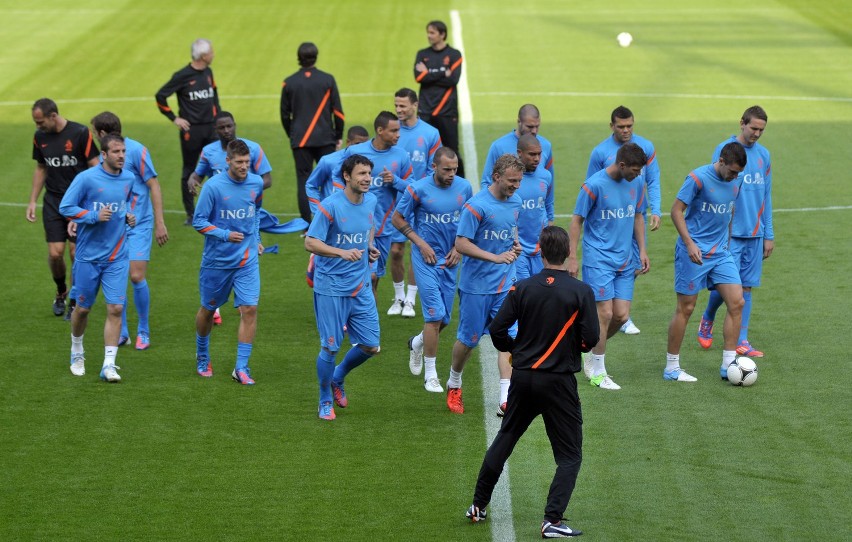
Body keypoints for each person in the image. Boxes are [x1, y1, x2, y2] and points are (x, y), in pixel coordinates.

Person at [466, 226, 599, 538]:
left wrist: (517, 351)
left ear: (539, 252)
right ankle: (552, 519)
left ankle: (478, 505)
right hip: (558, 383)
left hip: (523, 378)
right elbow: (590, 339)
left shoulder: (522, 287)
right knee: (569, 456)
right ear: (568, 253)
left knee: (506, 437)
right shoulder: (581, 291)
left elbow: (498, 330)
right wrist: (571, 349)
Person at [305, 154, 381, 420]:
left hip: (359, 285)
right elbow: (311, 243)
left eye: (369, 174)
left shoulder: (371, 200)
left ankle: (337, 376)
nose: (367, 179)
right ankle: (325, 397)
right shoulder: (330, 206)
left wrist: (369, 248)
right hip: (331, 287)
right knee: (330, 347)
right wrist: (340, 252)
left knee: (371, 345)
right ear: (347, 176)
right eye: (361, 174)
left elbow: (368, 227)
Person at [568, 143, 649, 391]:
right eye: (634, 170)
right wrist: (572, 256)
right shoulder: (593, 186)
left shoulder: (637, 182)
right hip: (598, 257)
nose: (638, 174)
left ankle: (589, 350)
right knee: (604, 313)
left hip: (625, 259)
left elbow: (637, 215)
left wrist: (642, 250)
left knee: (621, 315)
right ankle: (598, 371)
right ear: (622, 165)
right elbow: (576, 221)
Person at [447, 154, 523, 414]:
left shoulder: (516, 202)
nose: (515, 186)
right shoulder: (475, 206)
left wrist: (515, 246)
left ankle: (505, 398)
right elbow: (461, 243)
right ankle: (454, 382)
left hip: (504, 284)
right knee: (468, 341)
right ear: (496, 177)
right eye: (511, 181)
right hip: (476, 287)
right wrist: (495, 257)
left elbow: (509, 230)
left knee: (509, 339)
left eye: (518, 182)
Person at [666, 142, 747, 382]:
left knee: (737, 302)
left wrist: (728, 243)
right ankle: (671, 367)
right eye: (732, 171)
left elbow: (729, 211)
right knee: (686, 308)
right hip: (694, 252)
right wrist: (689, 243)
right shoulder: (697, 178)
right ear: (721, 161)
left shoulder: (736, 181)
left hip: (721, 253)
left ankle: (728, 364)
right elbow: (676, 211)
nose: (734, 176)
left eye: (738, 173)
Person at [393, 148, 472, 393]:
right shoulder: (417, 189)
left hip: (450, 260)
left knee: (444, 319)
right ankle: (431, 375)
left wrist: (459, 248)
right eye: (446, 169)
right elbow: (397, 218)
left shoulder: (464, 188)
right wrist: (419, 242)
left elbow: (470, 220)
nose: (451, 174)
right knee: (435, 316)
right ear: (434, 167)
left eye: (455, 169)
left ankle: (417, 343)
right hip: (425, 259)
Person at [698, 106, 773, 358]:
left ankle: (742, 339)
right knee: (730, 287)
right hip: (729, 233)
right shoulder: (726, 151)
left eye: (761, 130)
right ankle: (708, 317)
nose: (757, 134)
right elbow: (713, 188)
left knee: (747, 288)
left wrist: (768, 233)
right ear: (742, 123)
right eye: (753, 128)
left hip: (755, 232)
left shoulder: (764, 156)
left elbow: (767, 196)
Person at [59, 133, 136, 382]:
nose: (122, 155)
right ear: (104, 155)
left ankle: (109, 365)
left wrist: (127, 216)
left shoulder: (129, 178)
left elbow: (122, 204)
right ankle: (77, 350)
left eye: (123, 151)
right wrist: (91, 216)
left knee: (115, 307)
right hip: (88, 257)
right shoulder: (86, 179)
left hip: (117, 256)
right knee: (82, 309)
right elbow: (66, 207)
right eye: (116, 152)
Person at [90, 112, 169, 350]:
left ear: (103, 133)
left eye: (94, 132)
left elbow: (153, 184)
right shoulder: (102, 158)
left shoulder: (136, 151)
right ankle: (122, 331)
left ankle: (143, 329)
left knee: (136, 275)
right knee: (117, 277)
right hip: (114, 226)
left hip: (140, 224)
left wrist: (160, 222)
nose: (93, 136)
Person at [187, 111, 273, 326]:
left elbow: (266, 180)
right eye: (222, 128)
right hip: (218, 221)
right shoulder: (208, 153)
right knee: (210, 297)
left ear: (235, 125)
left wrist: (244, 191)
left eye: (229, 126)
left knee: (250, 307)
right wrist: (194, 179)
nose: (227, 130)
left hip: (243, 224)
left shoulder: (253, 149)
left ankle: (242, 360)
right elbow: (198, 174)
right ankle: (213, 307)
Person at [192, 139, 264, 385]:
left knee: (250, 309)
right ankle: (202, 354)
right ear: (228, 161)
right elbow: (198, 221)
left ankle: (241, 368)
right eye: (239, 162)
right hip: (217, 262)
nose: (244, 166)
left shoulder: (256, 183)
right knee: (208, 310)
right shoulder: (213, 187)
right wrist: (224, 234)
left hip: (246, 260)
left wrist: (256, 240)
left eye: (247, 162)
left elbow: (256, 214)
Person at [586, 105, 662, 336]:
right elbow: (591, 186)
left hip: (633, 214)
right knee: (612, 262)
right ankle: (605, 310)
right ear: (612, 126)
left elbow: (653, 179)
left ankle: (622, 314)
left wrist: (656, 209)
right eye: (621, 126)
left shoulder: (646, 147)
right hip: (609, 219)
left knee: (634, 264)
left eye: (630, 126)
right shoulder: (600, 152)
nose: (626, 130)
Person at [493, 134, 555, 413]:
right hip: (516, 257)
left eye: (539, 154)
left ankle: (532, 378)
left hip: (539, 255)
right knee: (515, 322)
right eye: (531, 154)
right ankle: (506, 393)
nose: (537, 159)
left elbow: (548, 209)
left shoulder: (545, 177)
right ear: (519, 153)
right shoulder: (509, 185)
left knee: (539, 316)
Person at [28, 98, 100, 319]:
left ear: (53, 116)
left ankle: (74, 301)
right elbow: (41, 168)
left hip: (78, 203)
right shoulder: (40, 137)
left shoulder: (80, 133)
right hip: (53, 201)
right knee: (55, 253)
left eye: (40, 122)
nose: (38, 126)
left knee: (75, 252)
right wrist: (32, 200)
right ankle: (61, 291)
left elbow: (95, 165)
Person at [334, 111, 412, 297]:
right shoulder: (355, 152)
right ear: (379, 130)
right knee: (366, 276)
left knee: (374, 280)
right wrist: (341, 201)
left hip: (384, 228)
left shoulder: (401, 156)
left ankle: (368, 323)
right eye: (393, 131)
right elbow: (337, 177)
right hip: (356, 226)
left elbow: (413, 188)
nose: (398, 135)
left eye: (398, 130)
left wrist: (395, 181)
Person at [387, 88, 442, 318]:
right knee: (397, 250)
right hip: (396, 203)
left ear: (415, 105)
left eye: (403, 106)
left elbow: (434, 170)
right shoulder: (392, 133)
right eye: (396, 106)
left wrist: (404, 186)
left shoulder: (430, 133)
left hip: (421, 203)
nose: (399, 110)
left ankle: (411, 299)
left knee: (418, 249)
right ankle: (398, 296)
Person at [155, 38, 220, 225]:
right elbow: (160, 96)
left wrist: (218, 118)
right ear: (203, 55)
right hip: (191, 131)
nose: (213, 55)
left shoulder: (208, 72)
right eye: (211, 52)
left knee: (216, 168)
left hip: (211, 128)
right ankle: (191, 213)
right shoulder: (182, 75)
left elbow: (214, 96)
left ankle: (215, 209)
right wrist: (174, 118)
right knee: (190, 170)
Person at [281, 42, 345, 223]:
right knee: (330, 179)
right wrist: (338, 134)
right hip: (325, 138)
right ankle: (331, 217)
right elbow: (338, 112)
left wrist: (292, 134)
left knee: (303, 180)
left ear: (298, 58)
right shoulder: (328, 79)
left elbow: (284, 115)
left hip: (300, 140)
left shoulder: (289, 82)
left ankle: (306, 223)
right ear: (316, 57)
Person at [414, 20, 465, 177]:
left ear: (442, 34)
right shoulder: (422, 54)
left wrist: (429, 74)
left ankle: (460, 183)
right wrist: (443, 72)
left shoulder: (454, 55)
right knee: (423, 151)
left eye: (432, 32)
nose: (429, 36)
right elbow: (419, 76)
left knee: (451, 150)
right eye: (428, 32)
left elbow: (453, 80)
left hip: (447, 111)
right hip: (426, 111)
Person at [481, 104, 554, 188]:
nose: (534, 131)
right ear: (519, 122)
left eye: (537, 126)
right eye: (530, 127)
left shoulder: (546, 145)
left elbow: (549, 181)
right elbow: (486, 183)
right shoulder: (499, 146)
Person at [305, 125, 369, 217]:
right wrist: (318, 212)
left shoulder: (368, 164)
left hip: (357, 216)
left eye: (365, 145)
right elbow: (311, 185)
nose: (360, 148)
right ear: (348, 142)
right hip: (332, 217)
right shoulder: (328, 161)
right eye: (357, 144)